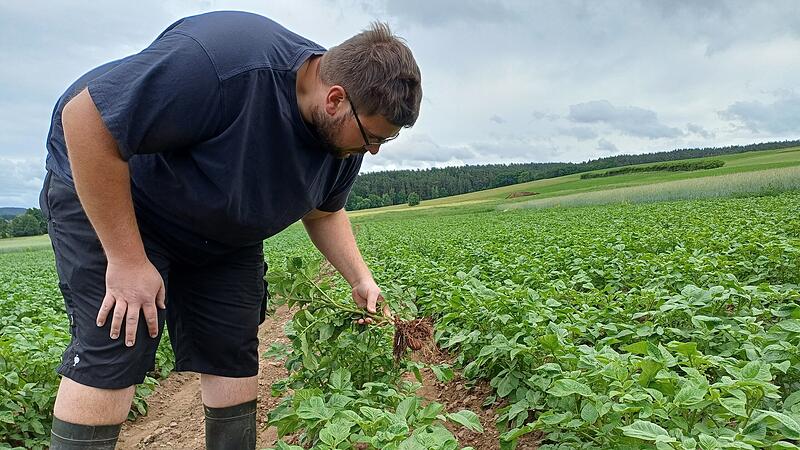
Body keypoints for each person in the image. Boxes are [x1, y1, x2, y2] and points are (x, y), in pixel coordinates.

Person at [39, 11, 422, 449]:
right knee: (116, 343)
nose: (373, 151)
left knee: (233, 353)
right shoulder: (224, 62)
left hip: (220, 230)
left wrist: (361, 278)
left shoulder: (341, 138)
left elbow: (324, 212)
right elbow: (86, 120)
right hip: (119, 194)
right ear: (335, 98)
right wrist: (127, 261)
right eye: (374, 137)